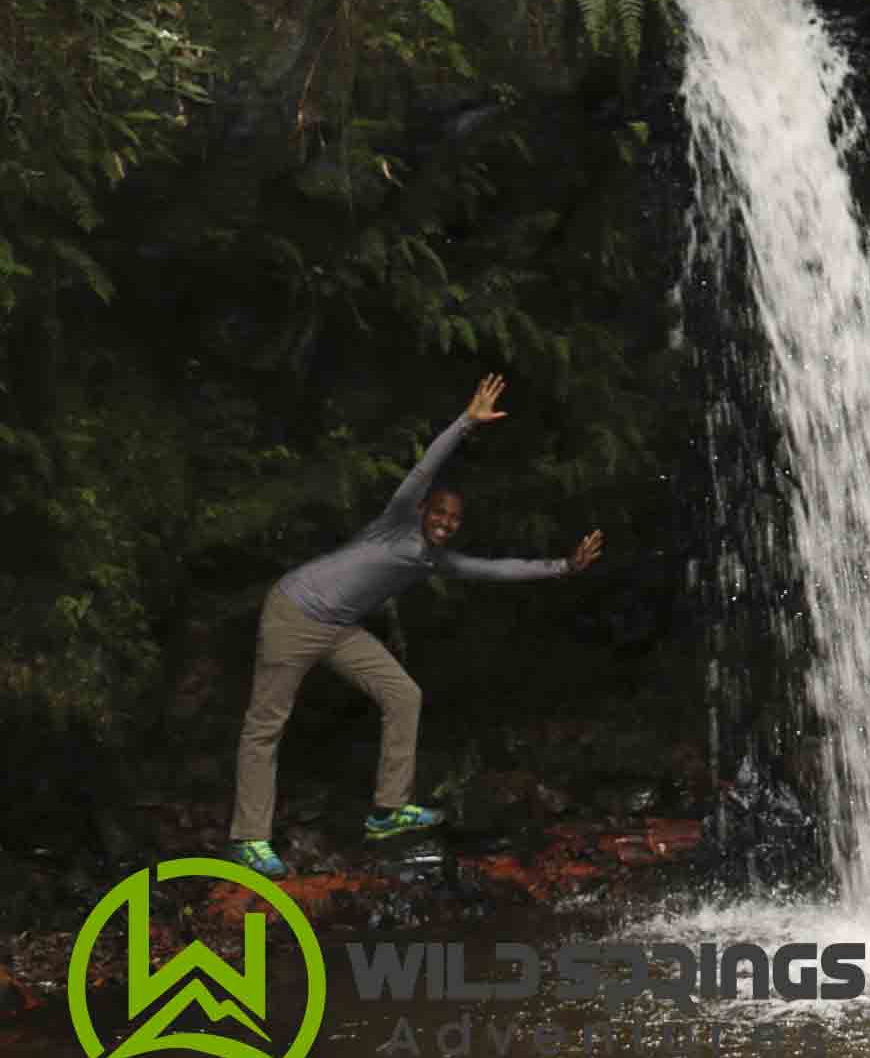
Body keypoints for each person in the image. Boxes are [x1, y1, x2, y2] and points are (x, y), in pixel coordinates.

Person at [226, 374, 605, 878]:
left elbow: (497, 569)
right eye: (441, 516)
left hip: (338, 626)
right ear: (425, 512)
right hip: (293, 612)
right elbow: (426, 467)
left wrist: (565, 567)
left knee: (403, 694)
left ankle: (388, 811)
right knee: (265, 725)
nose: (446, 525)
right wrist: (467, 422)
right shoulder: (398, 519)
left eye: (454, 522)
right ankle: (248, 840)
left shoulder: (436, 561)